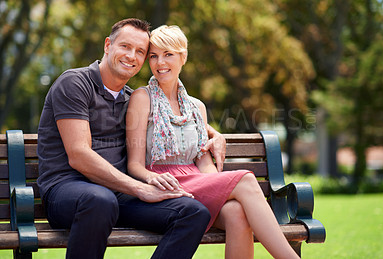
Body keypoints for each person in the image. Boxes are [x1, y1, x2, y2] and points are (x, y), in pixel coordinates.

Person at [37, 18, 227, 259]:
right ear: (108, 45)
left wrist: (215, 134)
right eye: (125, 46)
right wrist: (140, 188)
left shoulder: (131, 98)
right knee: (100, 200)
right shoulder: (75, 83)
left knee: (193, 213)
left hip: (116, 194)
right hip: (66, 190)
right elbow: (79, 155)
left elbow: (179, 119)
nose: (131, 56)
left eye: (140, 52)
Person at [126, 25, 300, 259]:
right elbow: (134, 165)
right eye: (154, 56)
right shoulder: (142, 98)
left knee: (237, 212)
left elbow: (205, 164)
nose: (160, 63)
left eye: (168, 54)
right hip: (163, 184)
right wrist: (153, 179)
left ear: (183, 57)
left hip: (196, 182)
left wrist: (218, 186)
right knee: (247, 179)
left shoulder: (197, 107)